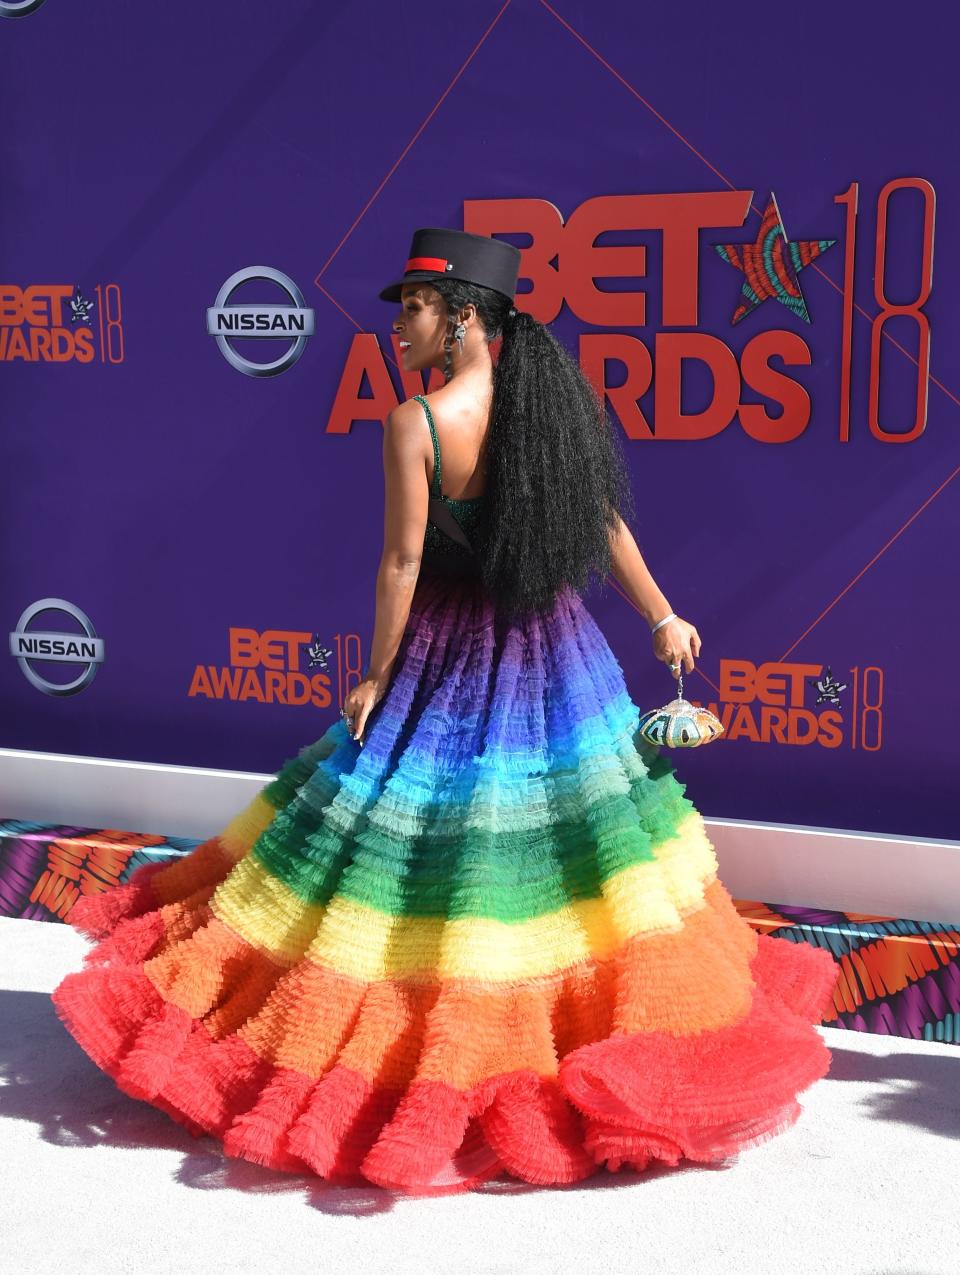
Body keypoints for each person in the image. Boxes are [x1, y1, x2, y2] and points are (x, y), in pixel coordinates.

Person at [51, 227, 839, 1197]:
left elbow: (402, 565)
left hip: (447, 658)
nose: (398, 329)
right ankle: (556, 1028)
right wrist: (664, 615)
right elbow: (604, 524)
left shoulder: (417, 424)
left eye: (412, 311)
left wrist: (380, 673)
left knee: (419, 849)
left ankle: (441, 1037)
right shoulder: (552, 407)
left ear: (464, 316)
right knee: (572, 857)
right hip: (559, 658)